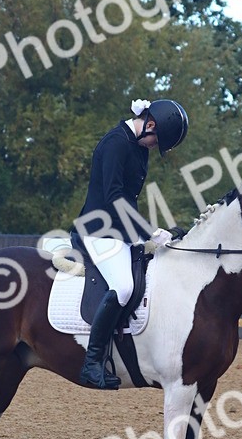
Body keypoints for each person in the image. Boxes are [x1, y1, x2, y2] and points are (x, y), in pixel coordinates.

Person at [74, 98, 189, 389]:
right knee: (123, 287)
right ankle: (92, 362)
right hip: (97, 230)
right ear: (149, 124)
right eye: (156, 140)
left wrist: (150, 235)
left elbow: (130, 200)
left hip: (121, 231)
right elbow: (114, 196)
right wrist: (148, 231)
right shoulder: (115, 143)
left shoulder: (138, 147)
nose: (154, 146)